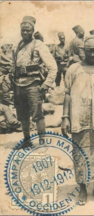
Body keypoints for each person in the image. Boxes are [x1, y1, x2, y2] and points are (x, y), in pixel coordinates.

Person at [61, 35, 94, 205]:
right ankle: (83, 188)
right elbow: (67, 94)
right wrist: (65, 118)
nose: (92, 54)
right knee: (80, 153)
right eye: (88, 50)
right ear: (83, 50)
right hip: (80, 119)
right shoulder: (73, 69)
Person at [13, 16, 57, 149]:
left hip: (33, 84)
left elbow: (53, 67)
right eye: (23, 30)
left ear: (33, 31)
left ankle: (42, 143)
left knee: (37, 114)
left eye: (28, 30)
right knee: (22, 115)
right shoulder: (18, 45)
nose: (25, 33)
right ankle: (27, 141)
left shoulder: (38, 45)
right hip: (18, 85)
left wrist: (46, 84)